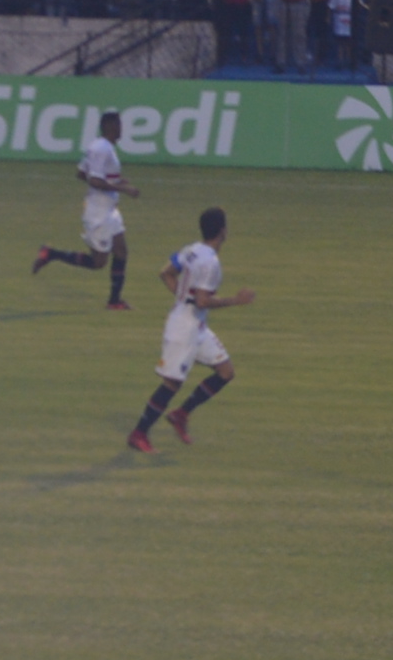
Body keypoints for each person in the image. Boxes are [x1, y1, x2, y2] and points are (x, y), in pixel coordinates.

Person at [127, 206, 248, 454]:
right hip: (184, 328)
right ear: (223, 231)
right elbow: (203, 301)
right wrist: (235, 300)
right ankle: (139, 433)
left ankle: (181, 414)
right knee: (171, 384)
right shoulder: (211, 263)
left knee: (225, 372)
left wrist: (183, 297)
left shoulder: (191, 250)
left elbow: (165, 272)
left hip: (196, 325)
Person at [33, 108, 137, 310]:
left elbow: (82, 173)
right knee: (98, 262)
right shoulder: (101, 149)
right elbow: (94, 180)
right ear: (109, 126)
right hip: (98, 212)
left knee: (121, 251)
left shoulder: (101, 146)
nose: (121, 129)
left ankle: (114, 301)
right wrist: (123, 188)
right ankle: (51, 254)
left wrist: (115, 181)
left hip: (109, 209)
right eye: (118, 124)